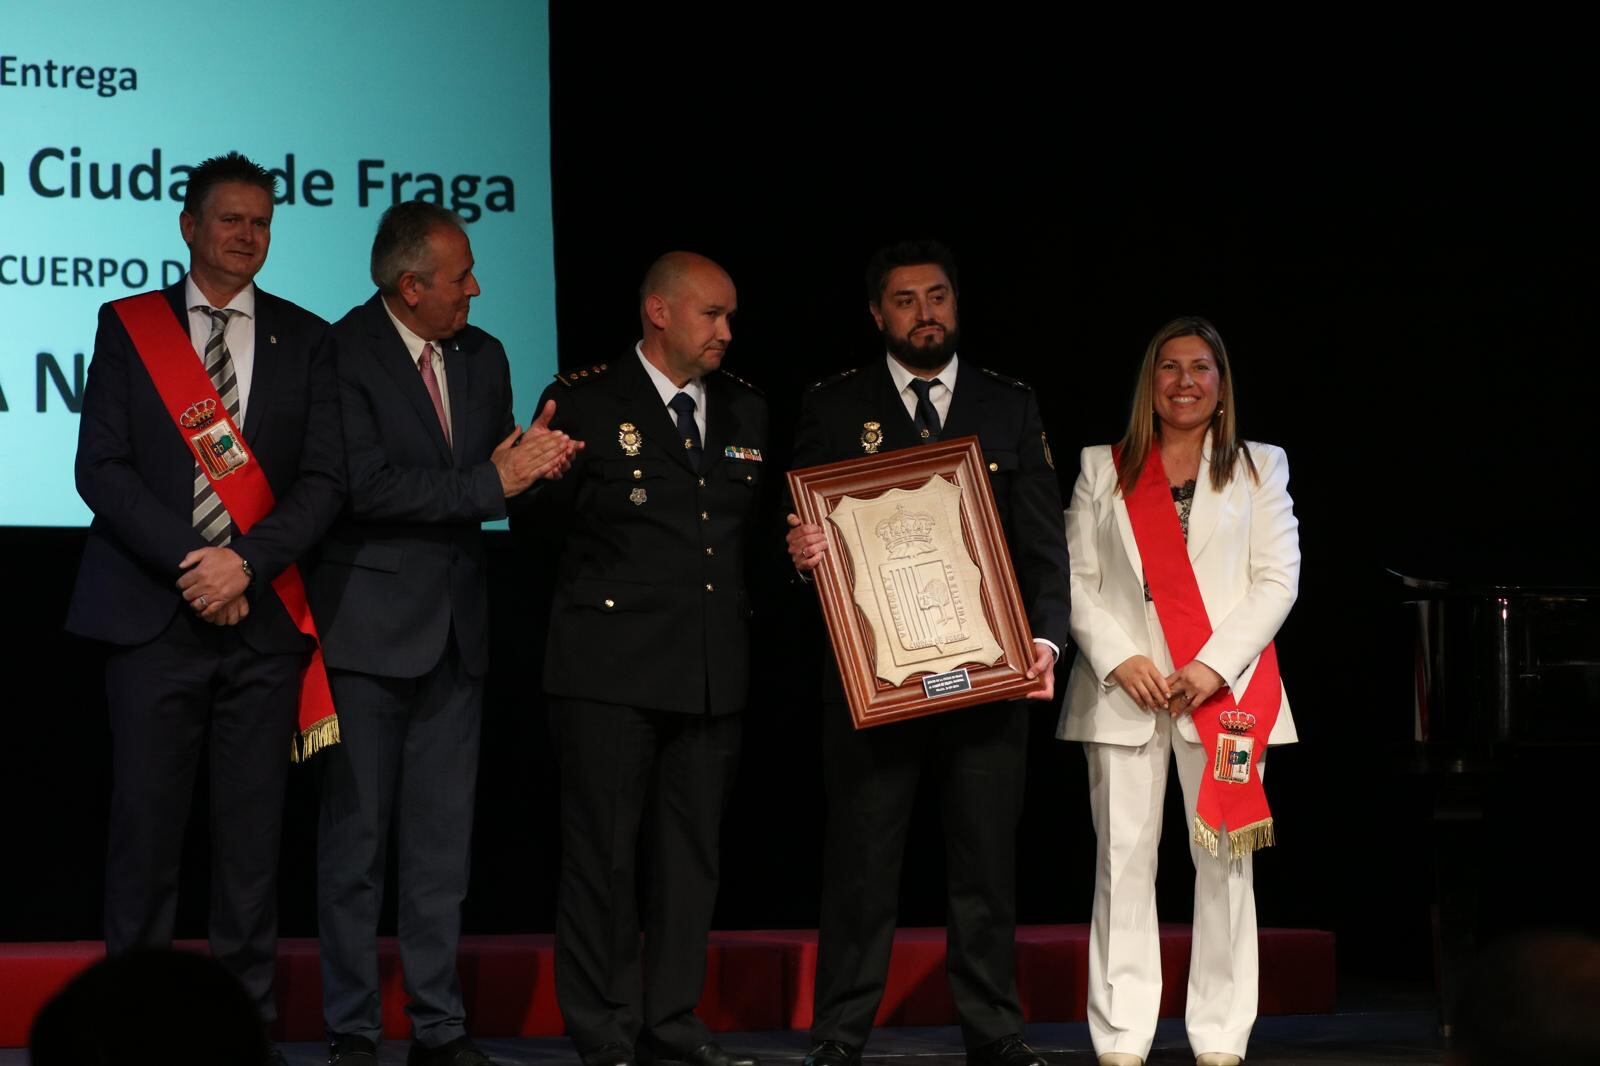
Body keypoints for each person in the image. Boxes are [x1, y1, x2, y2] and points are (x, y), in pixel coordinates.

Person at [66, 151, 343, 1063]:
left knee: (251, 849)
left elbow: (321, 482)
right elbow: (98, 469)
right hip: (152, 618)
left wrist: (245, 567)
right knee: (144, 842)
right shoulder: (128, 326)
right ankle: (127, 1038)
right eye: (230, 219)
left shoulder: (308, 337)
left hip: (261, 628)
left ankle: (244, 1033)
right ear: (189, 226)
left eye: (261, 221)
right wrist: (198, 564)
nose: (247, 235)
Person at [784, 240, 1070, 1066]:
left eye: (937, 296)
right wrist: (799, 551)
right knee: (862, 867)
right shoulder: (835, 405)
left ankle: (994, 1031)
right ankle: (840, 1034)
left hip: (989, 682)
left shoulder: (1008, 404)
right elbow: (799, 531)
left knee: (985, 868)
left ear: (956, 304)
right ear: (878, 314)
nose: (925, 313)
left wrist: (1044, 644)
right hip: (878, 684)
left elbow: (1044, 547)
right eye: (905, 301)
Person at [309, 200, 577, 1066]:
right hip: (368, 633)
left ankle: (439, 1025)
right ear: (410, 284)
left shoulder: (484, 353)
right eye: (460, 276)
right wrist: (495, 483)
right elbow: (365, 488)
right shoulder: (341, 351)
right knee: (356, 846)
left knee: (440, 849)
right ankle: (352, 1027)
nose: (477, 288)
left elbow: (489, 477)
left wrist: (535, 468)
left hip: (459, 630)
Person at [512, 251, 767, 1066]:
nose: (727, 331)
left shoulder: (746, 409)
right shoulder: (586, 399)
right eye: (711, 315)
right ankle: (607, 1030)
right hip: (608, 671)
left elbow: (748, 540)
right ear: (659, 312)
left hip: (708, 667)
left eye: (730, 317)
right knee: (604, 859)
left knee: (691, 862)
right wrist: (527, 481)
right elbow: (536, 534)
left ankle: (673, 1023)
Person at [1057, 315, 1300, 1066]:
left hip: (1223, 694)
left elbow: (1276, 581)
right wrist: (1122, 656)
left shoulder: (1260, 467)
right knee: (1122, 860)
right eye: (1169, 367)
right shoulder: (1106, 465)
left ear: (1222, 384)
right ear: (1149, 382)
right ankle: (1123, 1036)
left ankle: (1221, 1035)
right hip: (1124, 688)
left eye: (1200, 367)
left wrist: (1212, 666)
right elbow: (1073, 578)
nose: (1184, 381)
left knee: (1225, 864)